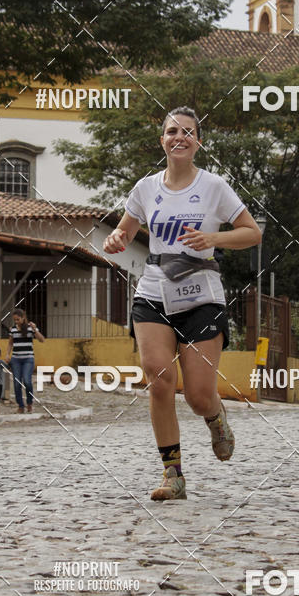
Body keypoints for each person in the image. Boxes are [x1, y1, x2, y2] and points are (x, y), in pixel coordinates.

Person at [103, 106, 261, 500]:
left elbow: (252, 233)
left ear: (197, 143)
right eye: (172, 131)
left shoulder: (214, 187)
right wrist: (115, 240)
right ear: (163, 140)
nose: (179, 137)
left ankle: (215, 416)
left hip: (200, 294)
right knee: (158, 376)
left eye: (187, 132)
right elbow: (125, 231)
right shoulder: (145, 188)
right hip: (155, 289)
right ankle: (172, 475)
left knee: (197, 394)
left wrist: (214, 239)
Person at [6, 308, 45, 414]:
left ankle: (29, 403)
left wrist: (35, 329)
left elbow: (42, 340)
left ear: (23, 318)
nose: (16, 322)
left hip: (28, 359)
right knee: (17, 383)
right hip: (16, 360)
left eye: (18, 319)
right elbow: (10, 343)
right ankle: (20, 406)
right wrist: (7, 354)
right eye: (15, 320)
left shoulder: (30, 328)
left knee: (27, 381)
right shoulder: (12, 329)